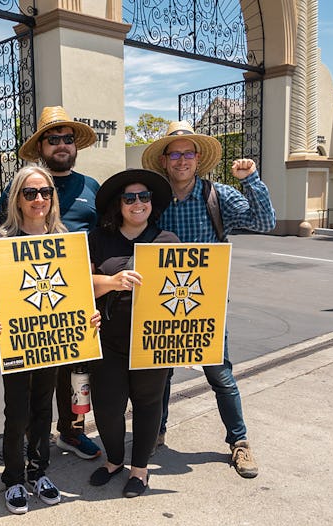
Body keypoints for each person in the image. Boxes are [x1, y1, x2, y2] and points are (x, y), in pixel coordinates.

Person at [141, 120, 276, 478]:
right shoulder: (152, 199)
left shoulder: (219, 196)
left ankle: (240, 442)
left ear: (197, 158)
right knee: (160, 372)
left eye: (188, 153)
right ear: (165, 160)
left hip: (206, 304)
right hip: (160, 301)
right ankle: (156, 431)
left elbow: (265, 223)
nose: (182, 160)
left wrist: (251, 181)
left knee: (220, 374)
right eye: (175, 153)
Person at [0, 106, 103, 460]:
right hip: (28, 302)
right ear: (40, 147)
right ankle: (31, 441)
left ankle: (71, 432)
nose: (61, 145)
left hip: (74, 302)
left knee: (76, 379)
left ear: (75, 145)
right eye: (52, 139)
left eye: (67, 139)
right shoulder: (19, 188)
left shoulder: (92, 188)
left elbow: (103, 242)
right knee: (31, 387)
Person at [87, 169, 180, 498]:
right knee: (108, 408)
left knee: (148, 403)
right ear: (119, 204)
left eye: (144, 197)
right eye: (130, 197)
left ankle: (139, 470)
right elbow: (81, 285)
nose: (137, 203)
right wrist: (113, 281)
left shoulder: (168, 241)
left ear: (151, 203)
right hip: (108, 340)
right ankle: (113, 461)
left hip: (152, 341)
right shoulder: (99, 239)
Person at [0, 166, 66, 515]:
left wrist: (87, 314)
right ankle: (14, 476)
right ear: (18, 198)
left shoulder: (62, 237)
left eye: (45, 192)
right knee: (17, 412)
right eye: (30, 193)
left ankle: (39, 471)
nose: (39, 199)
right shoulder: (4, 239)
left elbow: (72, 289)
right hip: (18, 339)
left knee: (43, 409)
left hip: (51, 338)